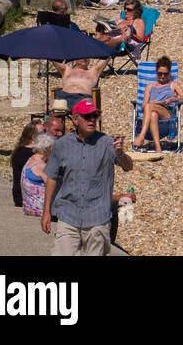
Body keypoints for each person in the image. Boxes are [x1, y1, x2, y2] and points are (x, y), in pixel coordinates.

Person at [42, 99, 133, 255]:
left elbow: (128, 166)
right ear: (76, 119)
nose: (92, 120)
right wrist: (46, 211)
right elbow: (52, 177)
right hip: (68, 213)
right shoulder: (62, 145)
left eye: (94, 116)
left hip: (97, 217)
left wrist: (121, 154)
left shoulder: (107, 143)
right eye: (87, 116)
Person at [131, 56, 183, 154]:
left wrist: (173, 99)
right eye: (160, 73)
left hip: (167, 114)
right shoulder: (150, 87)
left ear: (169, 73)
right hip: (151, 114)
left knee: (150, 106)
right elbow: (143, 106)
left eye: (165, 74)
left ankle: (141, 136)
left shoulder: (173, 85)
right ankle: (158, 148)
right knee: (152, 113)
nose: (162, 76)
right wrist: (154, 105)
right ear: (156, 72)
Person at [20, 132, 55, 217]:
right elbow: (53, 187)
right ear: (48, 148)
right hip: (39, 209)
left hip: (28, 207)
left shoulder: (31, 159)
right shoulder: (42, 166)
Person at [10, 122, 40, 207]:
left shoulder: (22, 150)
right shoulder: (24, 154)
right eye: (42, 132)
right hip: (24, 199)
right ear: (33, 137)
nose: (46, 134)